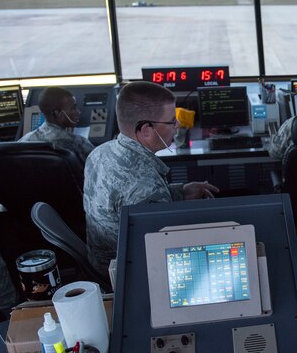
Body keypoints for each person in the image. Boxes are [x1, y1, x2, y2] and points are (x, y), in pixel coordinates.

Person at [83, 81, 219, 276]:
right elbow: (163, 252)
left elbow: (123, 205)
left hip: (100, 262)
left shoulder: (100, 152)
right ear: (146, 130)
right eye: (172, 121)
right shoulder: (144, 186)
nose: (178, 125)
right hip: (127, 274)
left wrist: (180, 192)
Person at [19, 86, 95, 163]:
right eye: (73, 108)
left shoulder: (24, 141)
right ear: (58, 114)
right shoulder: (78, 143)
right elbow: (100, 167)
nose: (78, 112)